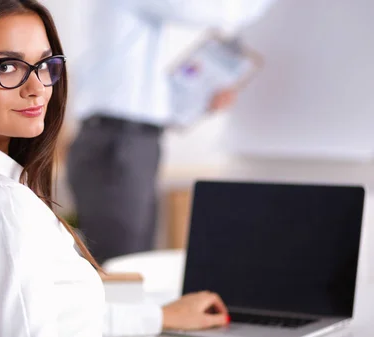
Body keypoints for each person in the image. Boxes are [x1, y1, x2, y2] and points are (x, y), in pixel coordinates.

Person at [0, 0, 230, 336]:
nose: (37, 87)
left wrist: (158, 316)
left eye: (44, 65)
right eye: (7, 66)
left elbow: (58, 317)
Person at [67, 0, 276, 263]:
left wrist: (201, 99)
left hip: (128, 140)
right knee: (122, 266)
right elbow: (222, 12)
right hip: (119, 143)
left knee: (133, 263)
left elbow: (136, 92)